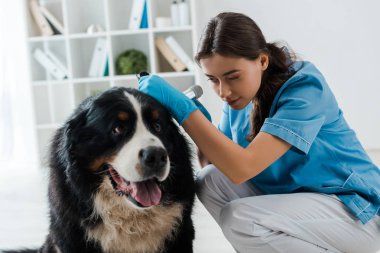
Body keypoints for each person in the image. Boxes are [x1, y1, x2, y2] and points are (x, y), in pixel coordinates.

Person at [138, 12, 380, 253]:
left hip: (358, 214)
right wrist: (202, 124)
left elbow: (243, 167)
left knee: (241, 218)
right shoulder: (240, 98)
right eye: (213, 79)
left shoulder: (304, 87)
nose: (223, 91)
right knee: (209, 181)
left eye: (232, 76)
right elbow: (216, 164)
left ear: (262, 61)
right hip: (305, 208)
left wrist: (186, 112)